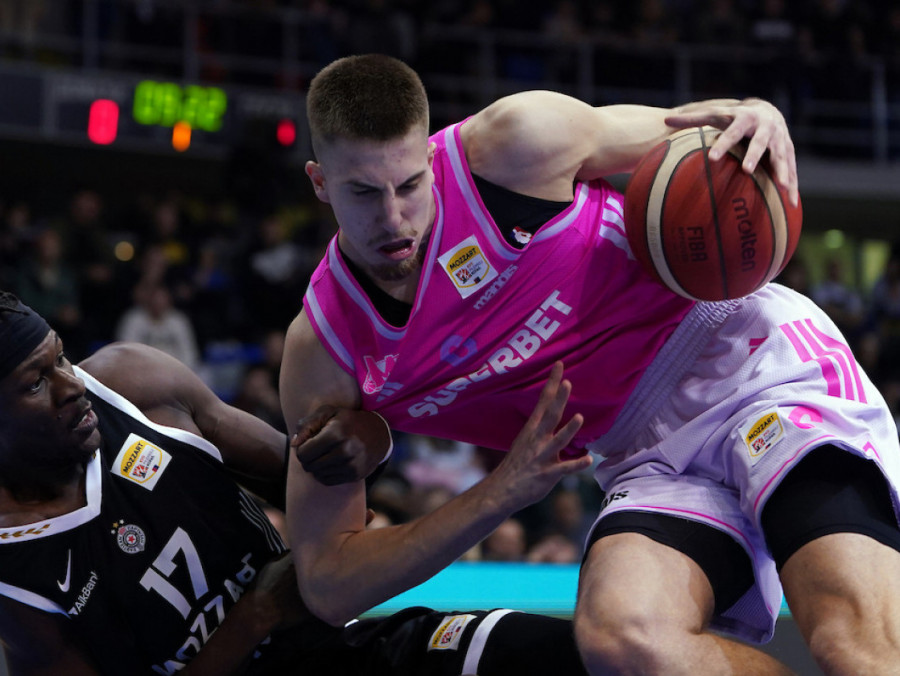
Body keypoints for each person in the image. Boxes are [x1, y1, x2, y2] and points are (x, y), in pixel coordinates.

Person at [280, 53, 900, 675]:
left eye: (410, 185)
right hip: (638, 452)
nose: (393, 218)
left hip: (747, 360)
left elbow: (713, 132)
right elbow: (330, 584)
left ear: (430, 158)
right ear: (319, 182)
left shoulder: (514, 145)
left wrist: (757, 116)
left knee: (853, 648)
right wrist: (497, 494)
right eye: (364, 192)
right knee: (622, 641)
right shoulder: (325, 351)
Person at [0, 291, 589, 675]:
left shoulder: (132, 382)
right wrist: (253, 617)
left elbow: (319, 481)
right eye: (35, 383)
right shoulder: (13, 576)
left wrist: (368, 439)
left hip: (337, 647)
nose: (71, 386)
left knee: (581, 654)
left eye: (62, 358)